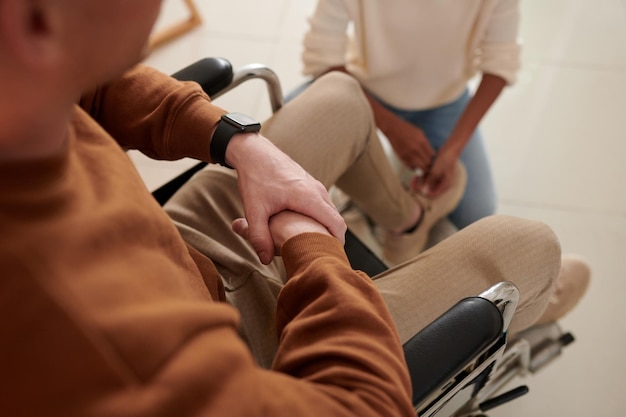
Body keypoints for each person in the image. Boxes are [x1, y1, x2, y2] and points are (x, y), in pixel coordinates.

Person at [0, 1, 589, 416]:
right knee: (532, 245)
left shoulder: (20, 63)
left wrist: (238, 141)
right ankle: (529, 299)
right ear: (37, 21)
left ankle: (407, 221)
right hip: (247, 361)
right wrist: (309, 242)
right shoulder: (86, 349)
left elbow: (96, 87)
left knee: (341, 98)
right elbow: (361, 407)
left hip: (182, 247)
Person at [300, 0, 522, 229]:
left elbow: (500, 63)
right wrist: (391, 127)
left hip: (445, 100)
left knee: (476, 213)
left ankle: (400, 218)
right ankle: (389, 213)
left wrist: (452, 150)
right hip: (360, 89)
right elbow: (323, 55)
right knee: (290, 158)